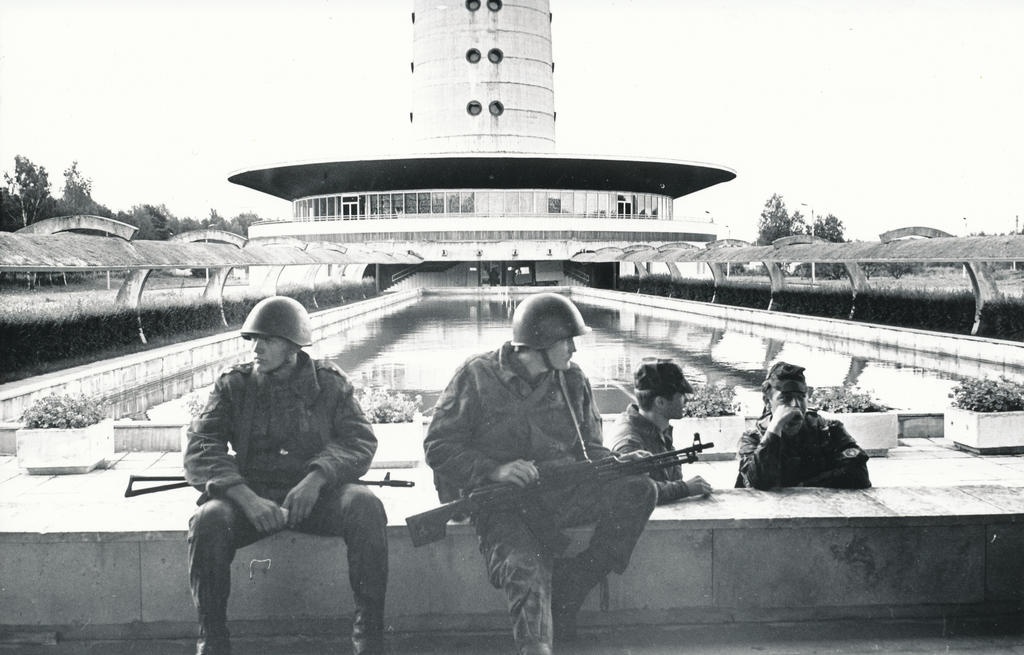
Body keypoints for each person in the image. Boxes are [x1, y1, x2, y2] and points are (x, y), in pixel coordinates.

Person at [423, 292, 657, 655]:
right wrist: (495, 470)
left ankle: (572, 586)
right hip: (504, 504)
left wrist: (619, 462)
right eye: (567, 341)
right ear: (539, 343)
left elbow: (589, 447)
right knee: (525, 569)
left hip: (560, 493)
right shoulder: (477, 376)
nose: (574, 350)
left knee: (639, 489)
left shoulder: (571, 379)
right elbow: (438, 446)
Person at [184, 296, 388, 655]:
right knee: (208, 520)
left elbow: (359, 440)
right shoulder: (235, 386)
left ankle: (369, 637)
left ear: (293, 346)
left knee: (365, 505)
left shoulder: (330, 384)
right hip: (254, 499)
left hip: (318, 498)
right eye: (253, 340)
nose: (257, 349)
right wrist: (244, 497)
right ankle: (212, 640)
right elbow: (201, 446)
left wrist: (318, 478)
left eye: (269, 340)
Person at [735, 361, 871, 490]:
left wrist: (803, 486)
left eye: (800, 397)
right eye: (785, 398)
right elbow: (759, 483)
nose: (795, 405)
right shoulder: (752, 439)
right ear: (767, 401)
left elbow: (859, 474)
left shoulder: (828, 430)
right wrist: (775, 429)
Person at [609, 358, 713, 504]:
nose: (686, 401)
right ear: (660, 402)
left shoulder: (658, 428)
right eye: (681, 395)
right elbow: (634, 491)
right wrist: (684, 488)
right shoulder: (629, 441)